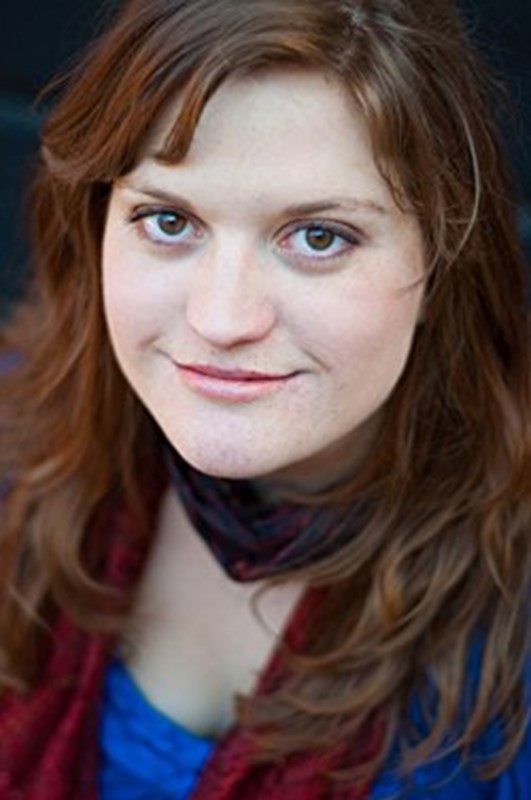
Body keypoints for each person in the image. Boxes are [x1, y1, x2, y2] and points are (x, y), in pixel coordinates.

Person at [0, 0, 529, 797]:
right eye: (168, 220)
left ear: (440, 262)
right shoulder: (14, 437)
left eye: (318, 237)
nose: (222, 320)